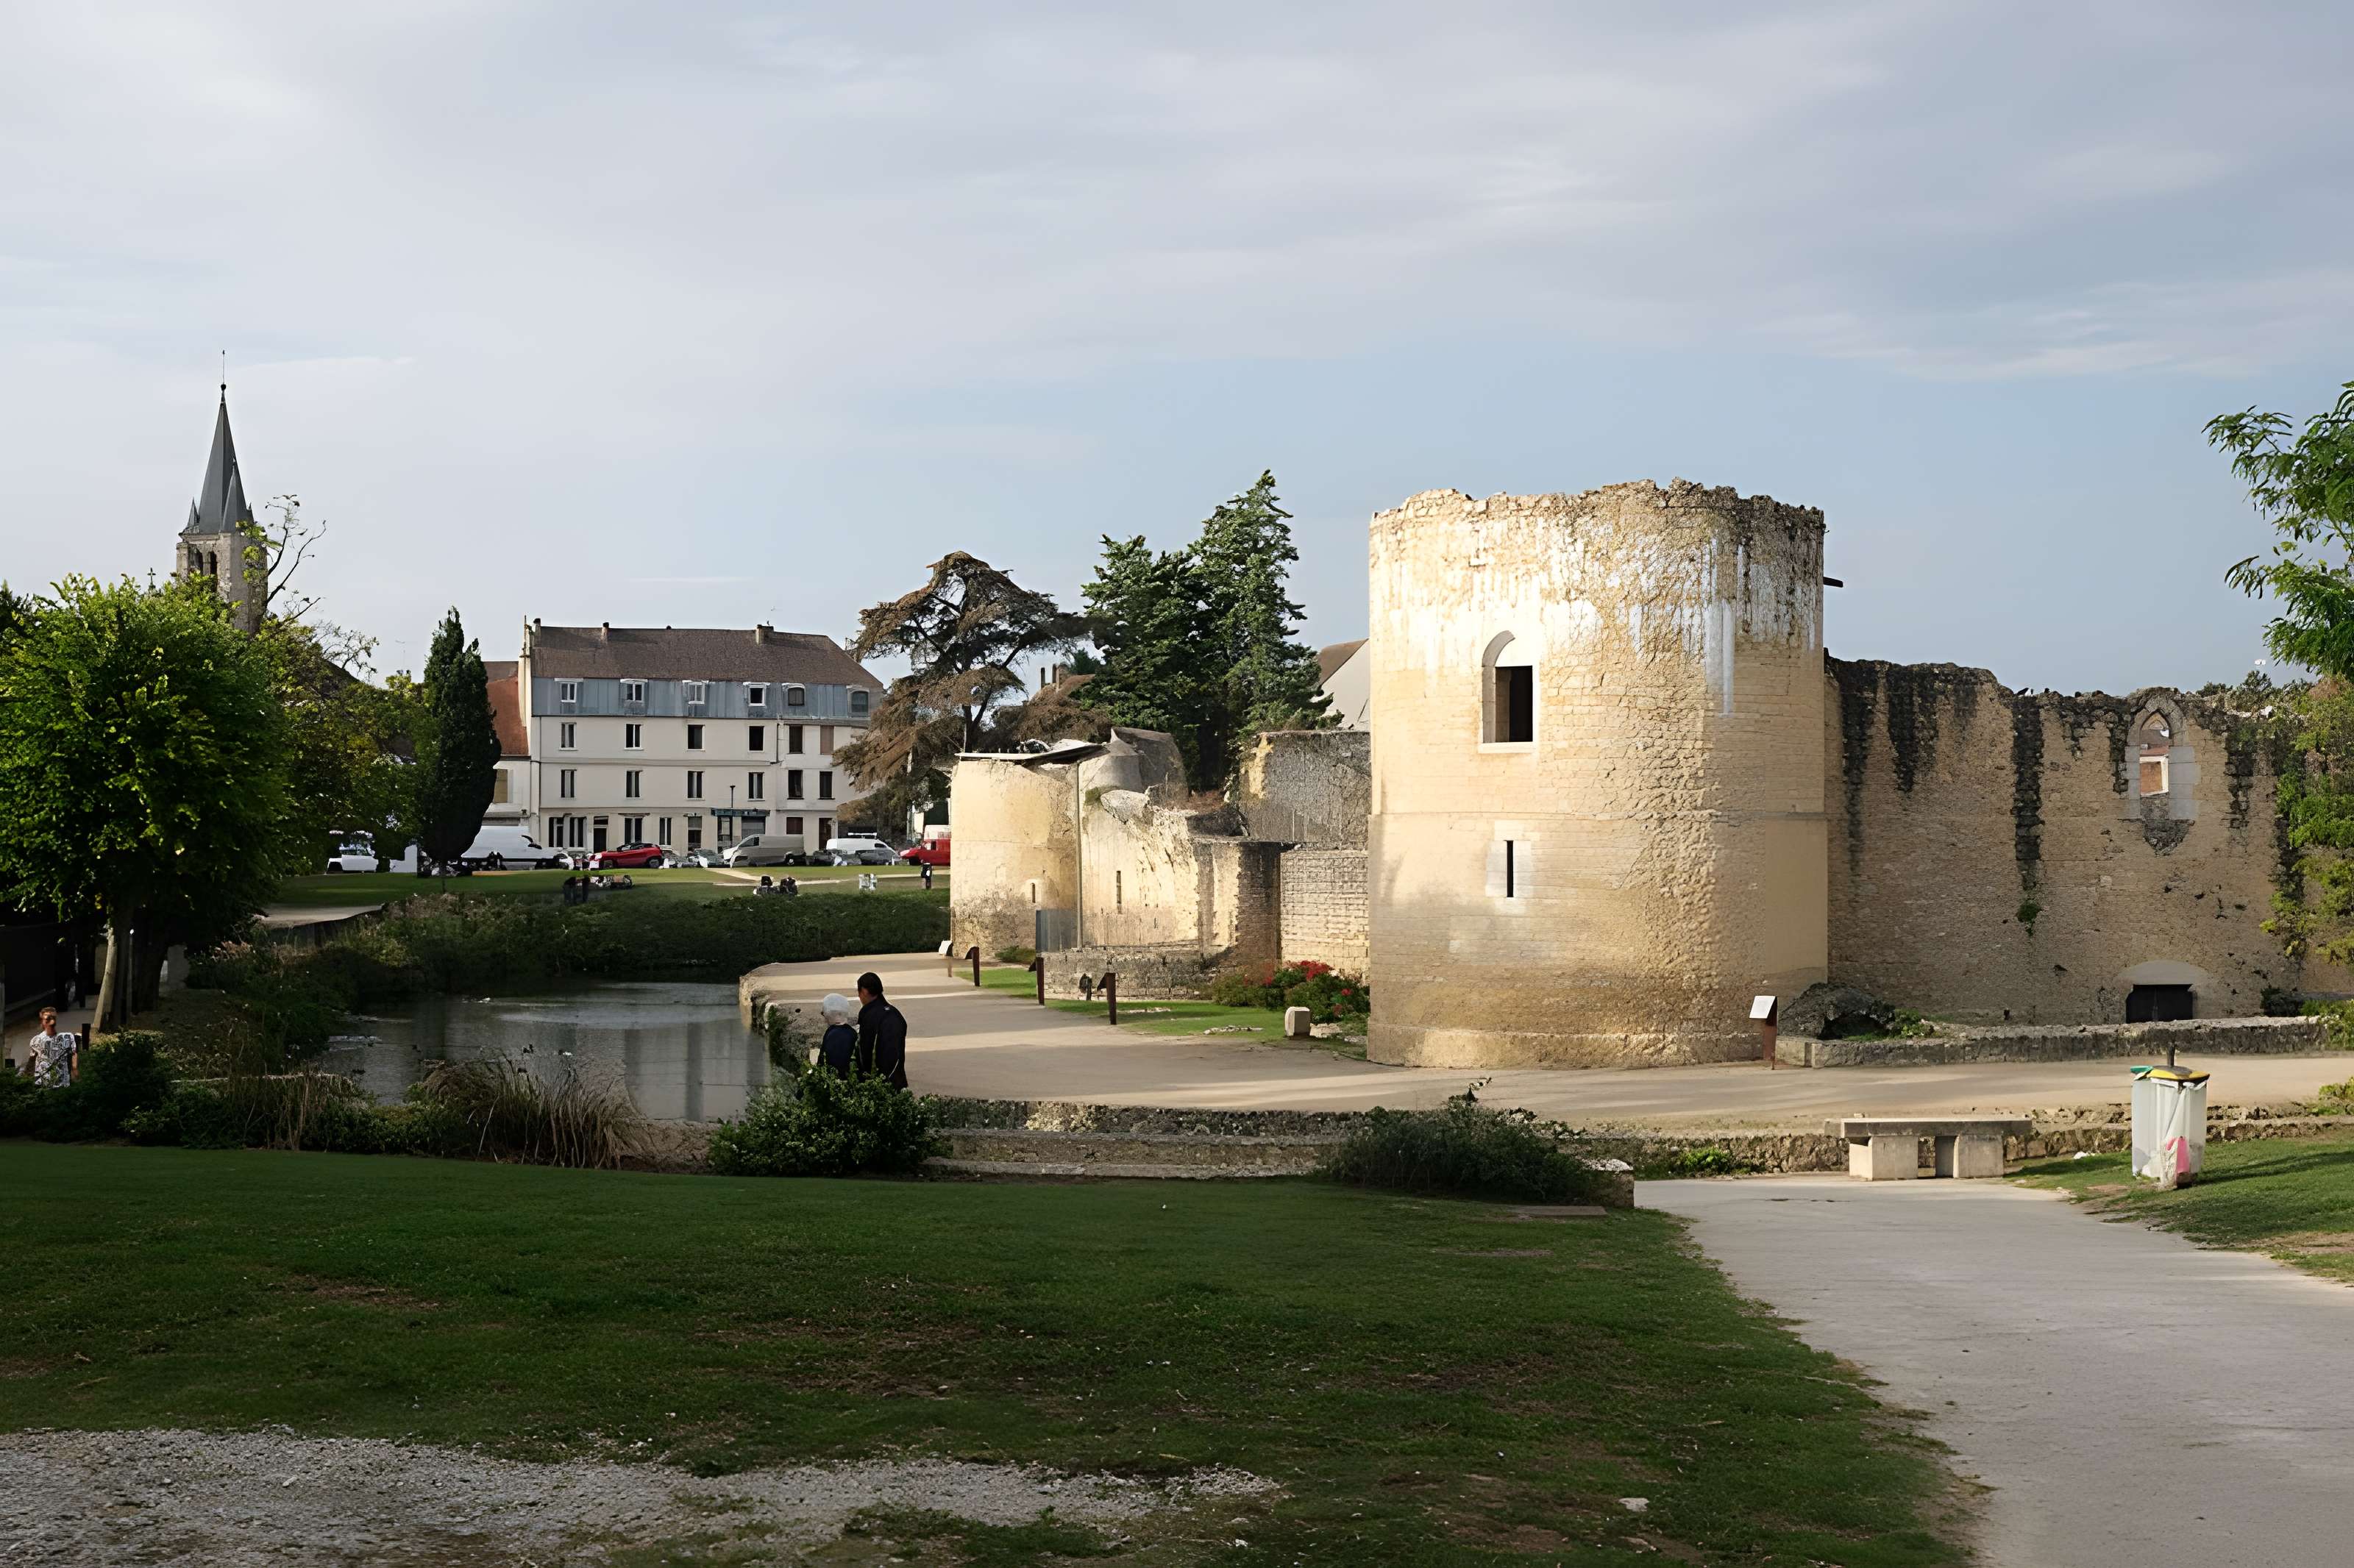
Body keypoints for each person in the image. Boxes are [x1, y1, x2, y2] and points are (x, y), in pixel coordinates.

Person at [853, 970, 909, 1088]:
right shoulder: (895, 1013)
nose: (859, 996)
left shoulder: (868, 1015)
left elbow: (864, 1053)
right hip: (897, 1079)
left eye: (859, 992)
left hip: (877, 1084)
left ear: (864, 991)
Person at [26, 1007, 75, 1088]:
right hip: (55, 1085)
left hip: (49, 1085)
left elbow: (31, 1063)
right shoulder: (67, 1038)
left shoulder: (35, 1040)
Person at [817, 993, 857, 1076]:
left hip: (833, 1078)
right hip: (849, 1076)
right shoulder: (852, 1032)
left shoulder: (831, 1033)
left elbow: (824, 1060)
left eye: (824, 1013)